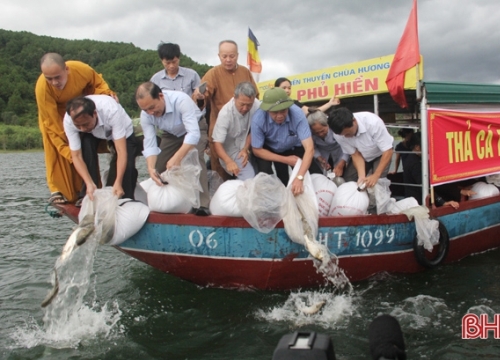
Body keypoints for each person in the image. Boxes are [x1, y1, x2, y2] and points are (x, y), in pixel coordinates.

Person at [35, 53, 117, 204]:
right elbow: (50, 120)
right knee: (59, 151)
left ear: (66, 69)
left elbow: (98, 84)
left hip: (82, 112)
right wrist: (68, 147)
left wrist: (106, 95)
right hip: (57, 118)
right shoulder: (42, 87)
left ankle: (90, 190)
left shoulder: (81, 69)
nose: (54, 82)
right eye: (49, 78)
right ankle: (58, 190)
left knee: (87, 145)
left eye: (57, 77)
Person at [135, 82, 210, 216]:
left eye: (152, 107)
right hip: (171, 133)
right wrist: (150, 167)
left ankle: (203, 204)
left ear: (160, 96)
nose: (150, 113)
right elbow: (150, 143)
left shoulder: (180, 100)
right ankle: (174, 202)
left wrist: (177, 158)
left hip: (195, 127)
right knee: (160, 167)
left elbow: (193, 134)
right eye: (146, 110)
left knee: (195, 159)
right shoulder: (146, 115)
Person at [192, 40, 258, 180]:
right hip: (221, 126)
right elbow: (202, 99)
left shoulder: (245, 72)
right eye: (224, 56)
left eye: (232, 56)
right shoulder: (213, 74)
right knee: (221, 171)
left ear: (238, 56)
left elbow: (255, 96)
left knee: (246, 166)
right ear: (219, 56)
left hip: (244, 128)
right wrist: (199, 96)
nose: (228, 60)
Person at [64, 96, 138, 204]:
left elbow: (121, 151)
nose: (82, 128)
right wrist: (88, 182)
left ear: (94, 114)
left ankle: (125, 201)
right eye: (78, 126)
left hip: (122, 132)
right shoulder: (69, 120)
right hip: (93, 134)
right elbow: (76, 156)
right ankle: (88, 194)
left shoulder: (111, 111)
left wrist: (118, 182)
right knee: (85, 146)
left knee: (127, 170)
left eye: (85, 124)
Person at [251, 87, 323, 196]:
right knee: (270, 177)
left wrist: (300, 177)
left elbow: (309, 148)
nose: (280, 116)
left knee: (316, 175)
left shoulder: (298, 114)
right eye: (275, 112)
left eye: (283, 111)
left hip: (295, 145)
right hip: (271, 148)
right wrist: (285, 160)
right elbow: (257, 150)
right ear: (267, 110)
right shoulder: (258, 119)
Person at [404, 132, 475, 208]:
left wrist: (458, 191)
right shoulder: (415, 163)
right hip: (418, 201)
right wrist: (443, 202)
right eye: (427, 146)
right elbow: (426, 187)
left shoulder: (413, 159)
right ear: (417, 147)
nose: (429, 148)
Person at [327, 107, 394, 188]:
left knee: (377, 183)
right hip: (362, 155)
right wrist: (361, 177)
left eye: (348, 133)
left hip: (381, 154)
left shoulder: (373, 123)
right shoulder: (337, 135)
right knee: (350, 179)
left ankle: (378, 200)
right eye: (343, 135)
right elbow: (355, 154)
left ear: (354, 121)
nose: (347, 137)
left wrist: (376, 175)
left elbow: (387, 151)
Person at [212, 82, 260, 180]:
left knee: (261, 173)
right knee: (249, 178)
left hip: (249, 145)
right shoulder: (225, 114)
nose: (245, 108)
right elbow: (217, 143)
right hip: (231, 150)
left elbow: (255, 129)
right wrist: (228, 161)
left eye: (249, 105)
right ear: (234, 98)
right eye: (242, 104)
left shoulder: (257, 105)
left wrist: (245, 148)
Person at [306, 107, 352, 178]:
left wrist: (341, 164)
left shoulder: (335, 126)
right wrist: (319, 158)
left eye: (322, 131)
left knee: (342, 175)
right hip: (323, 153)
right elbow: (312, 146)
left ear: (327, 124)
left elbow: (347, 146)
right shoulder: (308, 132)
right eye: (317, 133)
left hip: (340, 151)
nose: (320, 134)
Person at [274, 77, 339, 115]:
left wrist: (329, 104)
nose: (287, 90)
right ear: (276, 89)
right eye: (284, 88)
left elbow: (312, 112)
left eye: (289, 88)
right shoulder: (269, 104)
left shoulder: (294, 103)